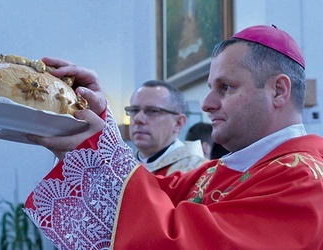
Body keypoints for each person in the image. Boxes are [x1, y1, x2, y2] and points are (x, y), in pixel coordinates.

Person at [25, 25, 323, 249]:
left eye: (226, 87)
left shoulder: (305, 181)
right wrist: (94, 118)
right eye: (210, 87)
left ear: (279, 91)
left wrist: (95, 144)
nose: (206, 104)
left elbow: (177, 240)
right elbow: (148, 190)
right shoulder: (220, 170)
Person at [126, 80, 206, 176]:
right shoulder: (122, 168)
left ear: (178, 123)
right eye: (134, 110)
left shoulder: (197, 171)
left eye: (152, 111)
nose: (138, 118)